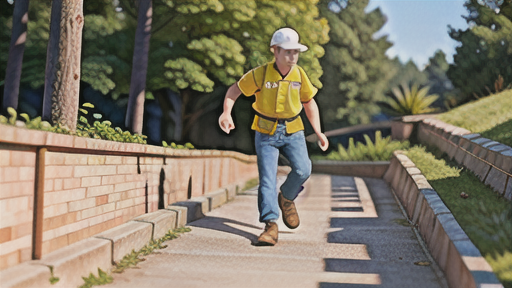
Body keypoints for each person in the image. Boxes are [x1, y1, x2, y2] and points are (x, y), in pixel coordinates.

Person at [218, 27, 329, 246]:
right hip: (266, 132)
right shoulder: (260, 74)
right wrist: (226, 112)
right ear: (275, 51)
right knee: (267, 179)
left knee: (303, 169)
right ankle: (270, 225)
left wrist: (318, 131)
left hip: (294, 130)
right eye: (287, 52)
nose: (292, 57)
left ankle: (286, 198)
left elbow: (309, 102)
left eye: (295, 52)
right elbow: (234, 90)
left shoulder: (300, 75)